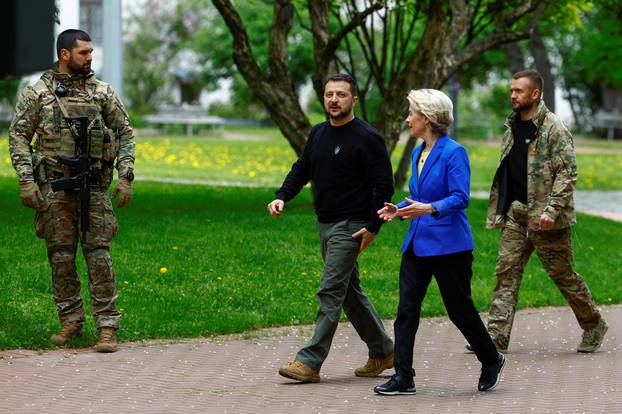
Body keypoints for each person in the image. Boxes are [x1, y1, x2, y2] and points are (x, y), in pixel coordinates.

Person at [8, 29, 135, 353]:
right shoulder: (38, 93)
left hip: (93, 187)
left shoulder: (101, 92)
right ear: (65, 54)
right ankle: (71, 320)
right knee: (61, 257)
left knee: (99, 256)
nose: (90, 57)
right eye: (84, 53)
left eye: (91, 52)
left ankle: (107, 326)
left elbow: (125, 132)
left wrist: (126, 177)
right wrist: (26, 180)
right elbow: (19, 136)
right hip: (55, 188)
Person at [373, 89, 505, 395]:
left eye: (412, 113)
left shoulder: (454, 152)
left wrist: (429, 208)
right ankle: (403, 376)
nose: (407, 119)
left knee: (459, 310)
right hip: (417, 245)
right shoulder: (419, 152)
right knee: (407, 310)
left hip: (451, 247)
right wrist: (400, 210)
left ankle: (491, 359)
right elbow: (420, 198)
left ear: (428, 117)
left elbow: (460, 197)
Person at [267, 73, 394, 383]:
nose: (334, 100)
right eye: (329, 95)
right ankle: (383, 351)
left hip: (350, 226)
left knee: (331, 291)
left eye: (341, 94)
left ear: (354, 99)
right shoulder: (319, 133)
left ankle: (309, 362)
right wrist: (282, 196)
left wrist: (373, 226)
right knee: (349, 293)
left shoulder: (367, 137)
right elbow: (303, 168)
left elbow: (383, 185)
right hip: (325, 223)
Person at [480, 70, 608, 353]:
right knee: (506, 273)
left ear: (535, 93)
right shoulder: (512, 127)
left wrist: (552, 209)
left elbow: (568, 172)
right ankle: (495, 338)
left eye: (519, 91)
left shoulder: (553, 128)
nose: (513, 95)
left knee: (563, 275)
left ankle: (593, 324)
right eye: (511, 90)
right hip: (517, 214)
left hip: (547, 219)